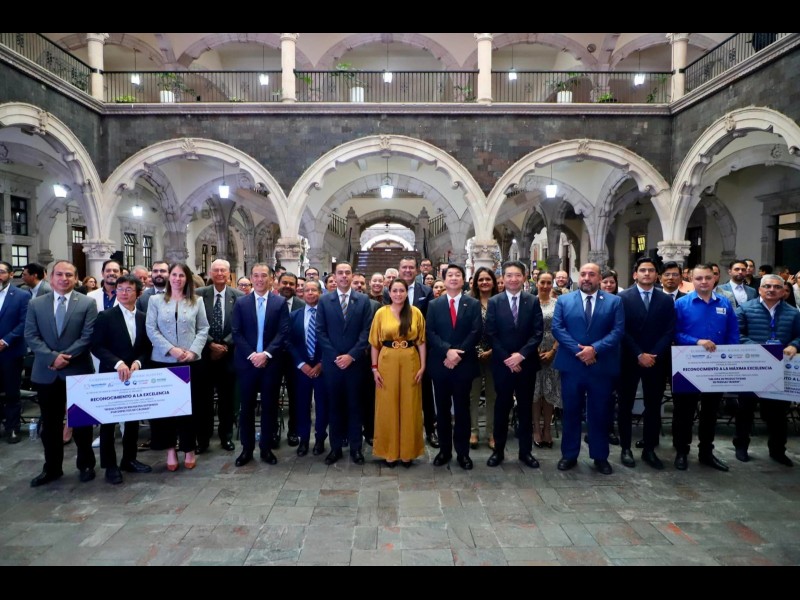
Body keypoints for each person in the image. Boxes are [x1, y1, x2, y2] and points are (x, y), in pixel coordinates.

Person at [26, 260, 98, 487]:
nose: (64, 278)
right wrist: (51, 358)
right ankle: (52, 468)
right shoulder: (36, 304)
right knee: (50, 425)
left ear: (75, 278)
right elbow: (31, 335)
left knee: (83, 423)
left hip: (77, 370)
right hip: (46, 372)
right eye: (59, 274)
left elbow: (88, 336)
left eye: (69, 275)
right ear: (50, 277)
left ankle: (86, 464)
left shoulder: (87, 303)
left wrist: (64, 357)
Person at [552, 263, 625, 475]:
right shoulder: (564, 300)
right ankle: (569, 454)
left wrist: (595, 349)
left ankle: (600, 456)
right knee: (571, 412)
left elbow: (618, 331)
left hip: (601, 367)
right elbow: (558, 328)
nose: (586, 278)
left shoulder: (614, 302)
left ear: (599, 278)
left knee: (600, 413)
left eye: (591, 274)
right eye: (583, 274)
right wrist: (580, 351)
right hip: (572, 365)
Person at [672, 264, 739, 472]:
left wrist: (731, 355)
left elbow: (733, 332)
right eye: (699, 278)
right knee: (684, 412)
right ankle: (682, 451)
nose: (703, 282)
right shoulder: (681, 304)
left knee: (710, 412)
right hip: (688, 366)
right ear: (691, 279)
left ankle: (706, 452)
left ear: (714, 279)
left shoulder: (724, 303)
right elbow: (674, 333)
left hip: (716, 366)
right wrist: (697, 341)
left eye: (708, 278)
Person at [145, 263, 209, 472]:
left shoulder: (197, 301)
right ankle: (170, 450)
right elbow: (151, 329)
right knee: (166, 410)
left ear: (187, 278)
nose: (177, 279)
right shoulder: (155, 301)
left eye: (182, 275)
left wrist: (193, 351)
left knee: (189, 408)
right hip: (163, 361)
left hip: (190, 362)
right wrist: (171, 350)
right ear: (169, 277)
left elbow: (203, 328)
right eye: (174, 274)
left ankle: (189, 448)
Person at [90, 274, 153, 484]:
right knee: (108, 423)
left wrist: (139, 362)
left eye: (129, 289)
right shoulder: (106, 316)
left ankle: (129, 459)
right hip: (111, 374)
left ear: (138, 293)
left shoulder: (143, 317)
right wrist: (117, 363)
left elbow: (147, 347)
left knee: (133, 419)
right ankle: (110, 465)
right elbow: (97, 346)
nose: (124, 293)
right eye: (120, 289)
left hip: (135, 375)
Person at [733, 275, 800, 466]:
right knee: (745, 410)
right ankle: (741, 446)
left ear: (783, 291)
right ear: (760, 289)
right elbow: (737, 334)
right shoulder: (745, 308)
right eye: (767, 286)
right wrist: (758, 349)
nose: (771, 289)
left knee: (778, 413)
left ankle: (778, 450)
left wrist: (794, 345)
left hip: (779, 368)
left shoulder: (793, 313)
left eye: (777, 287)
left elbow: (799, 335)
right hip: (752, 366)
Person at [617, 258, 675, 470]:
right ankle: (625, 448)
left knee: (653, 405)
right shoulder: (623, 298)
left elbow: (669, 330)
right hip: (630, 358)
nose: (647, 273)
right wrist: (639, 354)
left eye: (651, 270)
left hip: (655, 361)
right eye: (643, 270)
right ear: (635, 274)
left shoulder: (665, 300)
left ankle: (649, 448)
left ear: (657, 275)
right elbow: (621, 329)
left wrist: (654, 354)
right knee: (625, 405)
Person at [485, 260, 543, 469]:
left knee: (525, 408)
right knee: (502, 407)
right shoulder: (495, 302)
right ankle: (498, 451)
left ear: (524, 277)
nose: (513, 279)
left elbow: (537, 332)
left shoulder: (532, 301)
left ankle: (525, 452)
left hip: (526, 364)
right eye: (509, 275)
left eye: (517, 275)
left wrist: (521, 355)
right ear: (503, 278)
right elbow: (491, 333)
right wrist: (508, 359)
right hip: (503, 365)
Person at [231, 264, 289, 467]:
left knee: (269, 407)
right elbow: (236, 332)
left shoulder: (280, 302)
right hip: (247, 364)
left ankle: (266, 448)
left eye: (264, 275)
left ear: (271, 279)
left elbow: (283, 332)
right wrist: (252, 355)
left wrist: (266, 354)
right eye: (255, 275)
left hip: (271, 364)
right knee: (246, 407)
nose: (259, 279)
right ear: (251, 278)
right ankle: (246, 449)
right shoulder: (241, 302)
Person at [316, 261, 372, 465]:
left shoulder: (363, 300)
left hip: (355, 364)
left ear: (352, 275)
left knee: (355, 406)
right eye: (340, 273)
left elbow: (367, 331)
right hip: (332, 364)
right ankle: (336, 448)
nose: (344, 276)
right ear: (335, 276)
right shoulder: (325, 300)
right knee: (335, 406)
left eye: (347, 272)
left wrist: (351, 355)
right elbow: (320, 331)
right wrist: (335, 356)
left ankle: (356, 449)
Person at [426, 264, 481, 470]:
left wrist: (458, 354)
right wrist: (447, 351)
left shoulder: (472, 304)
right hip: (440, 364)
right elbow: (430, 332)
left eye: (458, 275)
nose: (454, 278)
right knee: (441, 410)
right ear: (444, 279)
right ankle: (444, 450)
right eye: (450, 275)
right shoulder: (434, 305)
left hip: (463, 364)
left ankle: (463, 453)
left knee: (462, 410)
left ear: (463, 280)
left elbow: (476, 331)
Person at [370, 278, 427, 468]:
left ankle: (408, 452)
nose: (398, 294)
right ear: (389, 292)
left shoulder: (415, 312)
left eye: (401, 290)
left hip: (410, 360)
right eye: (394, 290)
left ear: (406, 292)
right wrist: (374, 368)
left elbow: (421, 342)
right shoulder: (381, 313)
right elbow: (374, 343)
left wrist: (423, 366)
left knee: (410, 405)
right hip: (387, 361)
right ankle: (389, 450)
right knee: (387, 405)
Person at [385, 256, 437, 447]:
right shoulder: (389, 291)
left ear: (417, 270)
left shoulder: (426, 291)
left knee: (425, 392)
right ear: (399, 269)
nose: (407, 270)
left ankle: (430, 430)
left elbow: (429, 321)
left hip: (419, 348)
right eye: (404, 267)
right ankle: (397, 432)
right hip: (394, 352)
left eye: (411, 267)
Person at [195, 259, 244, 454]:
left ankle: (226, 437)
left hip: (228, 355)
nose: (219, 273)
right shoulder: (199, 294)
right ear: (210, 272)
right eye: (216, 270)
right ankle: (203, 439)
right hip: (204, 355)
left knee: (227, 400)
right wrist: (210, 344)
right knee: (203, 401)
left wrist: (224, 345)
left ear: (229, 273)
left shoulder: (239, 297)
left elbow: (240, 326)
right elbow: (194, 323)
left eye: (223, 270)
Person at [287, 280, 328, 457]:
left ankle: (320, 439)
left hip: (322, 368)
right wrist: (300, 364)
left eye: (314, 290)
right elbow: (288, 341)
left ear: (320, 293)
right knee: (302, 405)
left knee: (322, 405)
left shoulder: (327, 315)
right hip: (301, 369)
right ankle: (303, 439)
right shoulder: (294, 316)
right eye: (307, 290)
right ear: (301, 294)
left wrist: (322, 363)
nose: (310, 293)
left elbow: (332, 340)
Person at [0, 260, 31, 444]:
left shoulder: (21, 295)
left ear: (11, 275)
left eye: (2, 272)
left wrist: (6, 341)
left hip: (10, 351)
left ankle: (12, 427)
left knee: (12, 392)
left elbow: (24, 322)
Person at [274, 271, 305, 448]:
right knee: (272, 395)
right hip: (274, 357)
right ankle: (273, 431)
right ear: (278, 284)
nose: (287, 286)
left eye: (291, 284)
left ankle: (294, 431)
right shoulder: (270, 303)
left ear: (296, 287)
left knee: (296, 397)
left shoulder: (302, 305)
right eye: (284, 283)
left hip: (295, 359)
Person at [468, 267, 498, 450]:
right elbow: (466, 329)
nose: (484, 282)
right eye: (481, 279)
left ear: (493, 282)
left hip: (496, 355)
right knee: (473, 395)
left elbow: (505, 329)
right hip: (473, 355)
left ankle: (491, 432)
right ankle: (473, 431)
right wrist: (477, 350)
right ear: (475, 283)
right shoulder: (469, 302)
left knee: (492, 395)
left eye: (488, 279)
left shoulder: (500, 301)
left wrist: (493, 350)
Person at [532, 271, 560, 449]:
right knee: (535, 392)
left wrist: (553, 351)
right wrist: (533, 349)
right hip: (533, 350)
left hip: (553, 350)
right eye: (542, 282)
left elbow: (563, 328)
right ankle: (536, 428)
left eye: (549, 283)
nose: (545, 286)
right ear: (537, 282)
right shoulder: (530, 302)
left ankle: (547, 429)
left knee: (549, 392)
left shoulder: (558, 304)